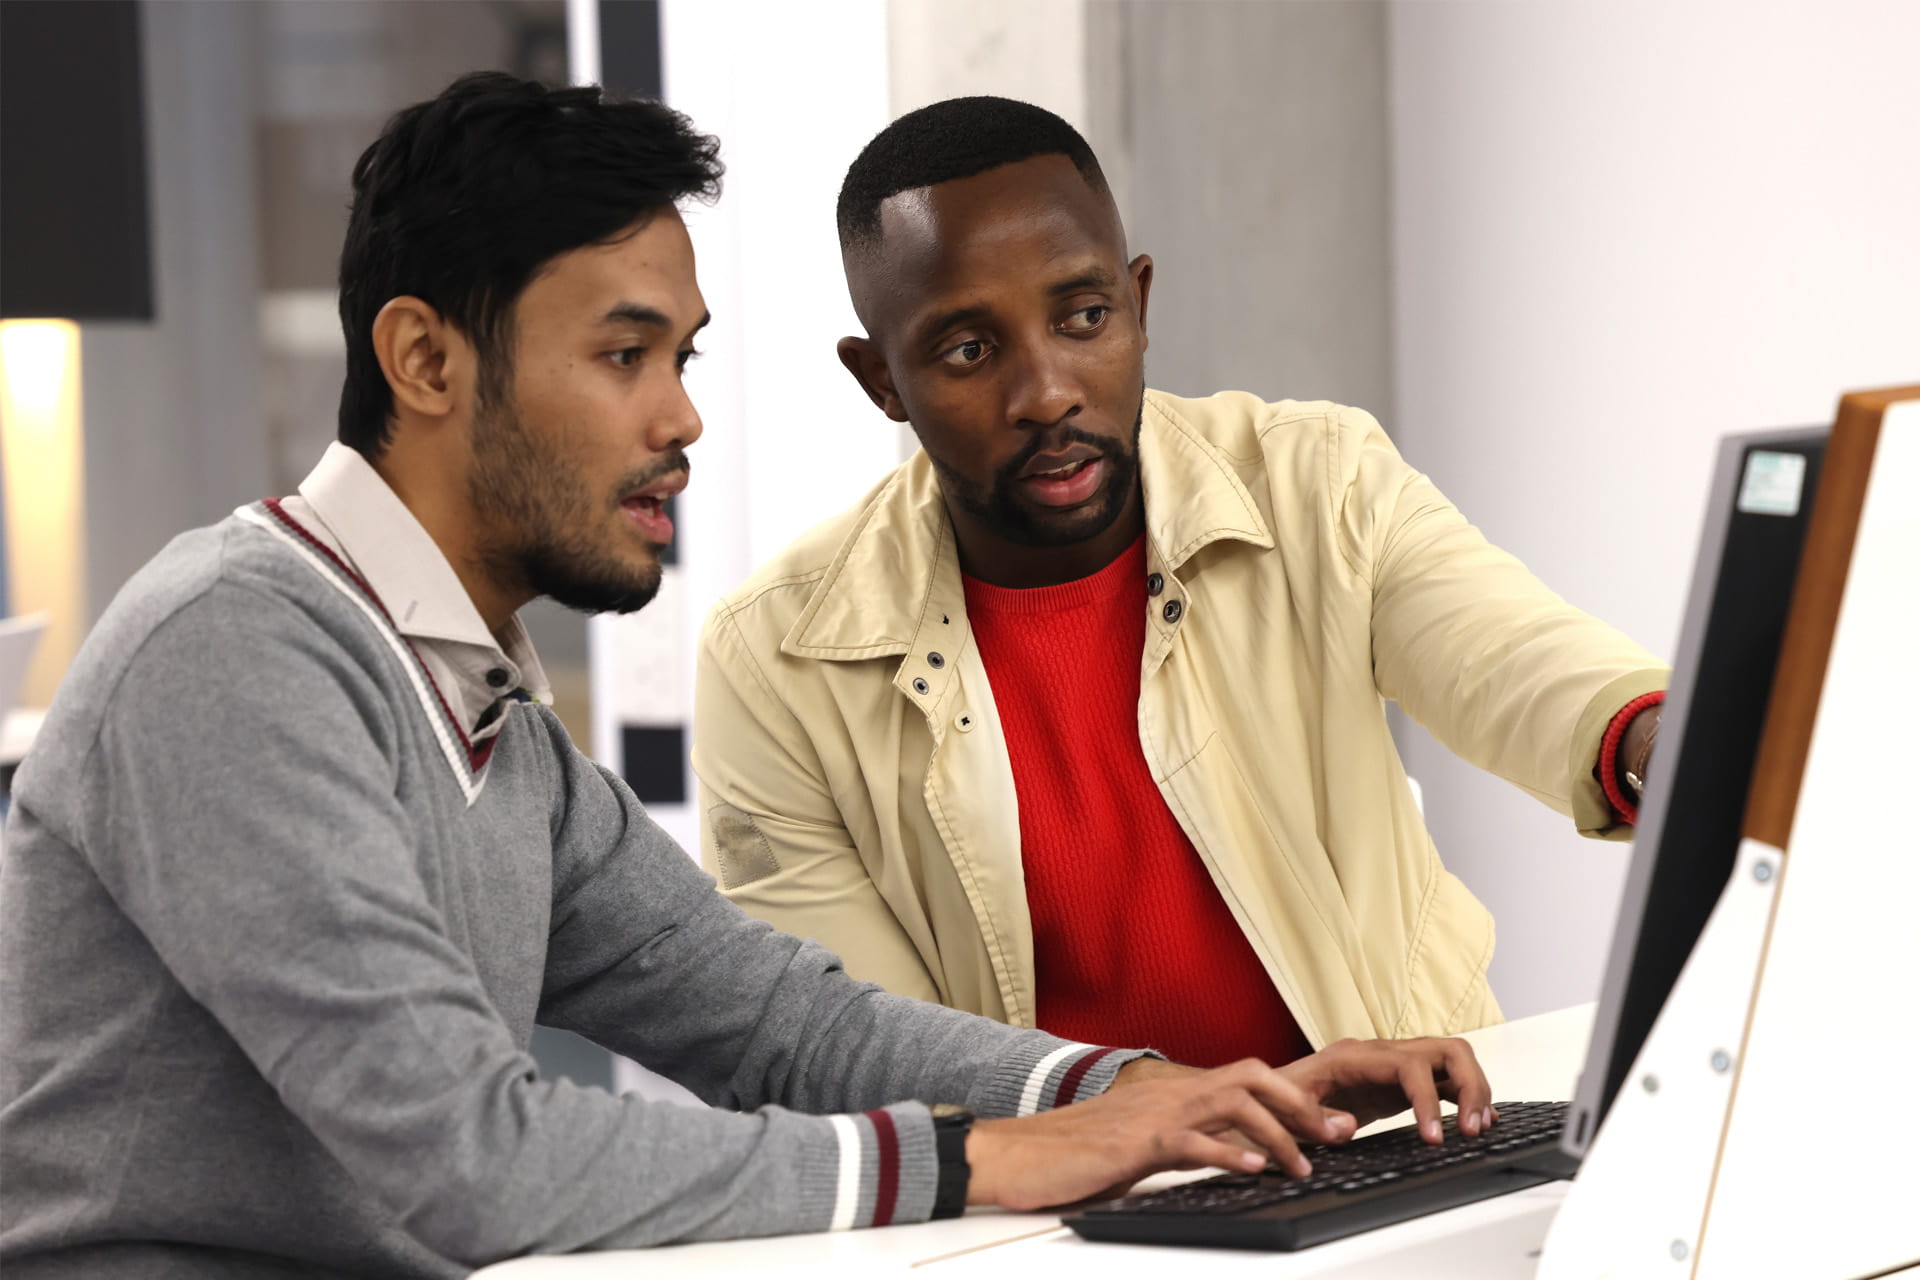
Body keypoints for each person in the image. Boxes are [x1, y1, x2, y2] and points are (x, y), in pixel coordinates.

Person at [0, 75, 1499, 1280]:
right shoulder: (236, 646)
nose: (683, 421)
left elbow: (784, 1023)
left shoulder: (488, 715)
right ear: (426, 360)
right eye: (626, 356)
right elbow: (472, 1153)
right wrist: (982, 1157)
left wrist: (1140, 1094)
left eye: (688, 359)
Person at [694, 96, 1669, 1069]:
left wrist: (1655, 740)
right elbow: (856, 1048)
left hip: (1400, 1142)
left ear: (1140, 304)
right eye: (969, 349)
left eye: (1083, 316)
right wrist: (1159, 1115)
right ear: (882, 381)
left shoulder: (1315, 481)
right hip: (1058, 1203)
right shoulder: (775, 660)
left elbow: (1516, 659)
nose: (1048, 392)